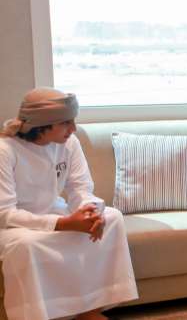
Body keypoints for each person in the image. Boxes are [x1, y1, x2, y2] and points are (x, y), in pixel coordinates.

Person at [0, 88, 138, 320]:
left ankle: (89, 310)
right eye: (66, 122)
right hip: (13, 227)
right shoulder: (5, 150)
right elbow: (5, 213)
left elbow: (80, 188)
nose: (73, 128)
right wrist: (63, 224)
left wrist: (91, 212)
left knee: (112, 217)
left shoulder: (69, 142)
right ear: (42, 124)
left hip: (57, 212)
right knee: (28, 245)